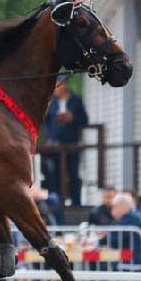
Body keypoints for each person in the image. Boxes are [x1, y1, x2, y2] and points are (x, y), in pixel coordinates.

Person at [42, 75, 88, 205]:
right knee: (55, 174)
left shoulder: (76, 100)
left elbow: (84, 120)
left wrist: (72, 118)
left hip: (72, 143)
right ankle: (58, 202)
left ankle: (76, 202)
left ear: (65, 85)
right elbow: (46, 121)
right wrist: (49, 135)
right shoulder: (51, 102)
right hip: (56, 144)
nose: (57, 89)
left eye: (59, 85)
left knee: (73, 174)